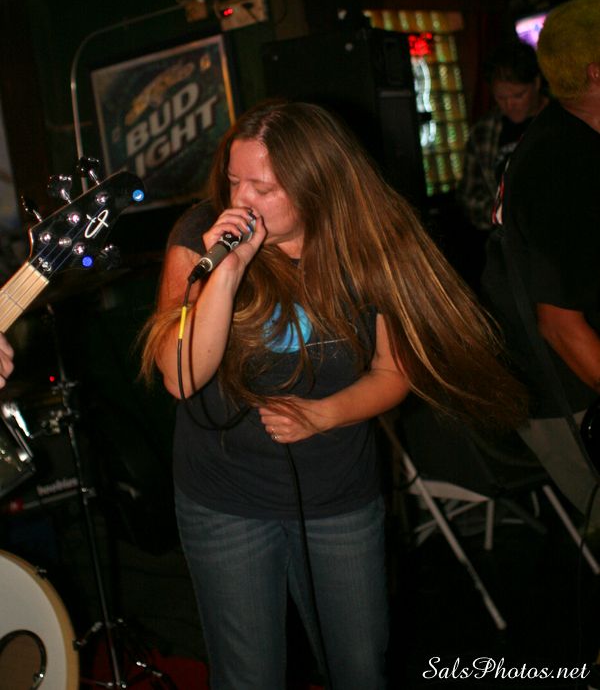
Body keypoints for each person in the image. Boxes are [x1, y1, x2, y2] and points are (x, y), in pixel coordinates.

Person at [142, 99, 526, 690]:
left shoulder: (371, 242)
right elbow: (182, 377)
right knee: (249, 677)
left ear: (317, 185)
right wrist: (226, 273)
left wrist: (323, 415)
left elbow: (393, 372)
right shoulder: (202, 236)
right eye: (235, 180)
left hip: (338, 496)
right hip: (224, 496)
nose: (242, 199)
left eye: (264, 188)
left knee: (360, 667)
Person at [482, 0, 600, 528]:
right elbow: (560, 324)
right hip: (569, 390)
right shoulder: (562, 163)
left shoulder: (571, 137)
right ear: (595, 72)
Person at [457, 39, 546, 234]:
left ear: (537, 83)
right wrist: (503, 216)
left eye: (518, 95)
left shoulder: (560, 122)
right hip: (507, 239)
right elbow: (470, 194)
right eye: (501, 98)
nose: (509, 105)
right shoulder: (483, 131)